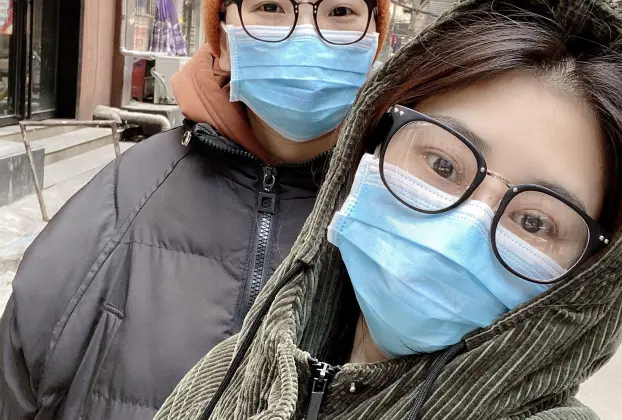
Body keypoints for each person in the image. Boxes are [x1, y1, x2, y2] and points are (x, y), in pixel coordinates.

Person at [153, 0, 622, 419]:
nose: (457, 236)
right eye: (442, 164)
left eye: (535, 222)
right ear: (367, 148)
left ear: (594, 275)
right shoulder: (226, 373)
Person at [0, 0, 390, 418]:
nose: (306, 35)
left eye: (340, 10)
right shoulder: (127, 193)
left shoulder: (403, 222)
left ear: (375, 39)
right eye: (271, 6)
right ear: (222, 35)